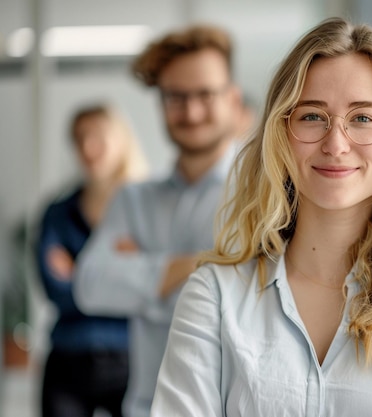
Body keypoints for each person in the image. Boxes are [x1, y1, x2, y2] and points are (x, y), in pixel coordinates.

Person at [151, 17, 372, 417]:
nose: (335, 144)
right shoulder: (214, 297)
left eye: (363, 118)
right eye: (312, 116)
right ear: (281, 135)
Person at [73, 24, 243, 417]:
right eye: (176, 97)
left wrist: (142, 272)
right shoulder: (133, 198)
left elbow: (253, 293)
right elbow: (90, 283)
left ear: (233, 99)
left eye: (205, 94)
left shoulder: (267, 195)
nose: (192, 111)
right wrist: (211, 262)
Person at [36, 103, 149, 417]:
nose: (87, 147)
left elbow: (154, 291)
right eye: (79, 138)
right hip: (68, 358)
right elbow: (57, 291)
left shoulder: (147, 212)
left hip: (135, 358)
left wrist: (80, 275)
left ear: (121, 140)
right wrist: (125, 272)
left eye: (97, 136)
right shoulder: (58, 212)